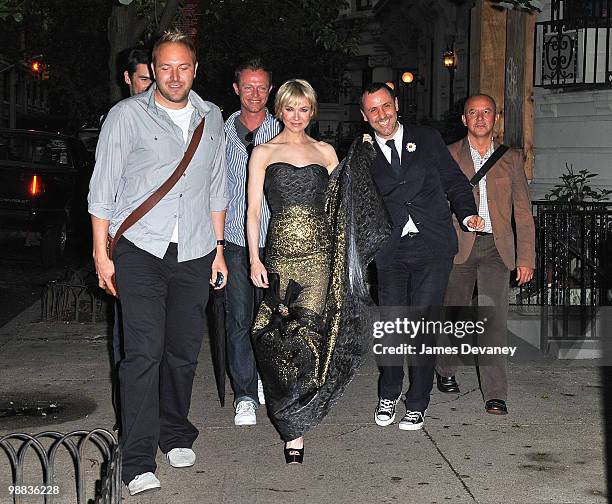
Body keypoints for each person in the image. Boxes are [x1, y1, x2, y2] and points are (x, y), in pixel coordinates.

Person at [88, 29, 228, 495]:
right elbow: (101, 191)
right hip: (140, 251)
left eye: (182, 66)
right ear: (153, 69)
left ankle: (174, 432)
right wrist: (100, 255)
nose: (173, 75)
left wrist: (219, 249)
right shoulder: (126, 116)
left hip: (194, 249)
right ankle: (137, 457)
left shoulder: (212, 116)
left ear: (195, 69)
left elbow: (216, 187)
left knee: (183, 352)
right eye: (164, 67)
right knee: (142, 354)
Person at [247, 79, 391, 463]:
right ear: (280, 110)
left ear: (312, 111)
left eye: (305, 109)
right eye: (290, 108)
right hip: (279, 255)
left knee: (309, 334)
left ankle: (296, 428)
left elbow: (343, 198)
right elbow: (254, 212)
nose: (297, 116)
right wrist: (254, 259)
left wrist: (360, 157)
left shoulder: (325, 151)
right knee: (278, 336)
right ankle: (289, 405)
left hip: (319, 256)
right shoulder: (262, 152)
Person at [360, 82, 484, 431]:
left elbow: (454, 181)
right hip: (390, 251)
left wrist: (466, 212)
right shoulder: (363, 152)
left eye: (386, 106)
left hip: (432, 247)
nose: (381, 114)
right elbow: (357, 204)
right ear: (364, 115)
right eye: (373, 110)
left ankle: (418, 401)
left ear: (396, 104)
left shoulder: (426, 139)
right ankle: (389, 391)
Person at [435, 94, 535, 415]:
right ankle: (445, 368)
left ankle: (495, 393)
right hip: (458, 245)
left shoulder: (511, 159)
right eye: (473, 113)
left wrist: (526, 258)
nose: (480, 118)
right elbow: (436, 206)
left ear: (495, 119)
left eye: (486, 112)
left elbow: (523, 212)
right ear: (464, 119)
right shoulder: (448, 155)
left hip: (496, 248)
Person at [223, 58, 281, 426]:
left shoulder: (283, 132)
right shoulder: (219, 131)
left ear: (270, 90)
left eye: (262, 87)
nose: (255, 93)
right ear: (236, 89)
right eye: (248, 86)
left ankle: (267, 380)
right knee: (239, 319)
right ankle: (244, 392)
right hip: (233, 241)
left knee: (274, 319)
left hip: (275, 242)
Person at [110, 46, 153, 432]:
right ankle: (132, 422)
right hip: (128, 246)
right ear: (128, 79)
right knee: (131, 344)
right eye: (143, 79)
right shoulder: (120, 121)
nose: (151, 87)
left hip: (164, 251)